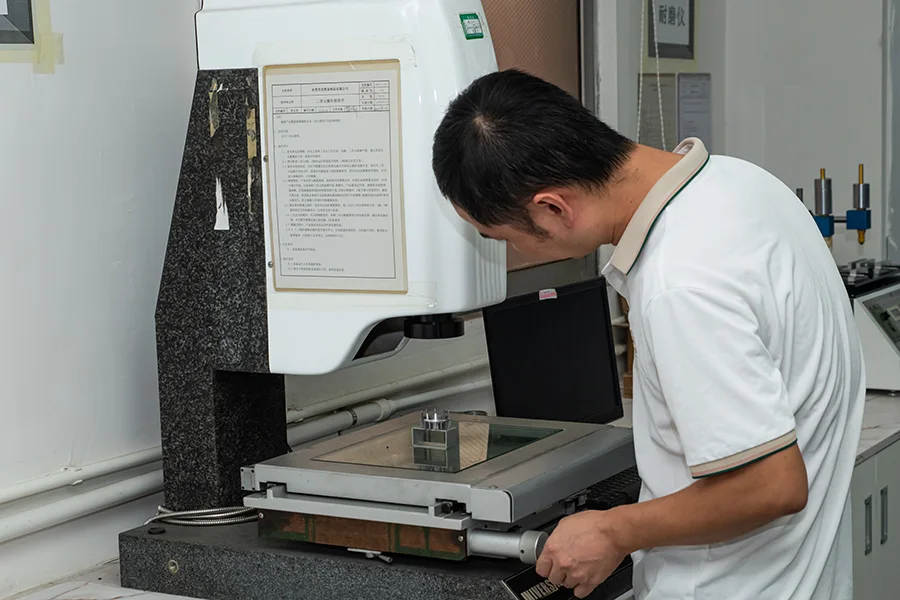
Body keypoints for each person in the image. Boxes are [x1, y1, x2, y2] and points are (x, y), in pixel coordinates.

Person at [432, 69, 865, 600]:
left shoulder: (681, 282)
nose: (517, 256)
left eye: (505, 239)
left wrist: (612, 530)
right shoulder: (741, 183)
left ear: (552, 208)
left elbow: (770, 486)